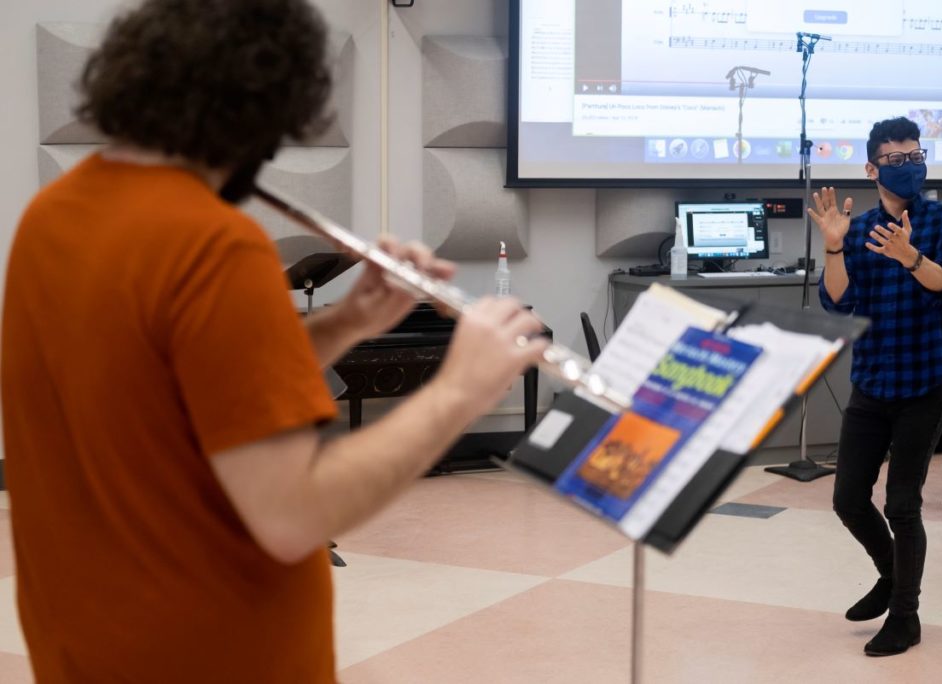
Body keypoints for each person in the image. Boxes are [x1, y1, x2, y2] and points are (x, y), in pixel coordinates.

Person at [0, 1, 549, 682]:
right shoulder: (214, 246)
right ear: (255, 111)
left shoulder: (51, 217)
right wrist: (460, 389)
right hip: (216, 655)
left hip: (86, 643)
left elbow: (178, 390)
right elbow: (291, 515)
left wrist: (349, 323)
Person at [808, 116, 942, 656]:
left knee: (902, 505)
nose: (910, 167)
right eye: (896, 160)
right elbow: (838, 301)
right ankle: (890, 574)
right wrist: (834, 249)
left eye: (916, 156)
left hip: (925, 383)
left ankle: (906, 615)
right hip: (872, 383)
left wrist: (912, 257)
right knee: (848, 499)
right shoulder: (855, 229)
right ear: (872, 168)